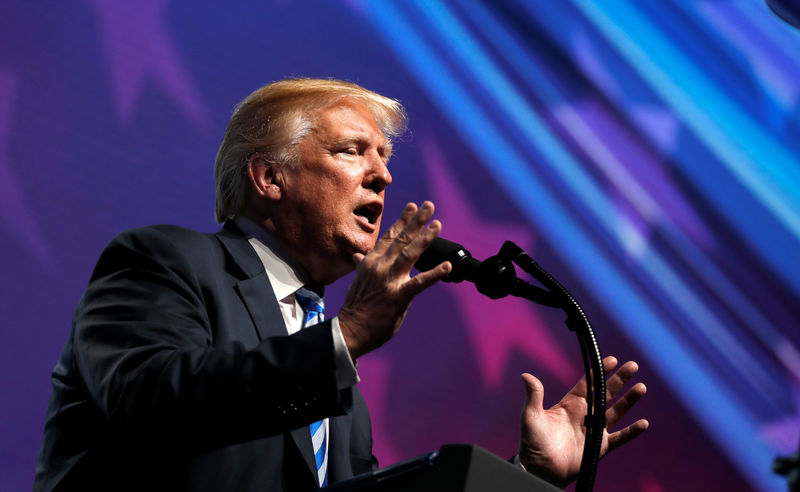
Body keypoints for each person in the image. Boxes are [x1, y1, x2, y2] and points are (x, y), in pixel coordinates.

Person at [34, 78, 648, 491]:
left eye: (384, 158)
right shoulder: (165, 261)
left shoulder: (322, 355)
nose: (382, 176)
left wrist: (527, 478)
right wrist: (347, 336)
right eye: (353, 152)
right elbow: (149, 404)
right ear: (270, 177)